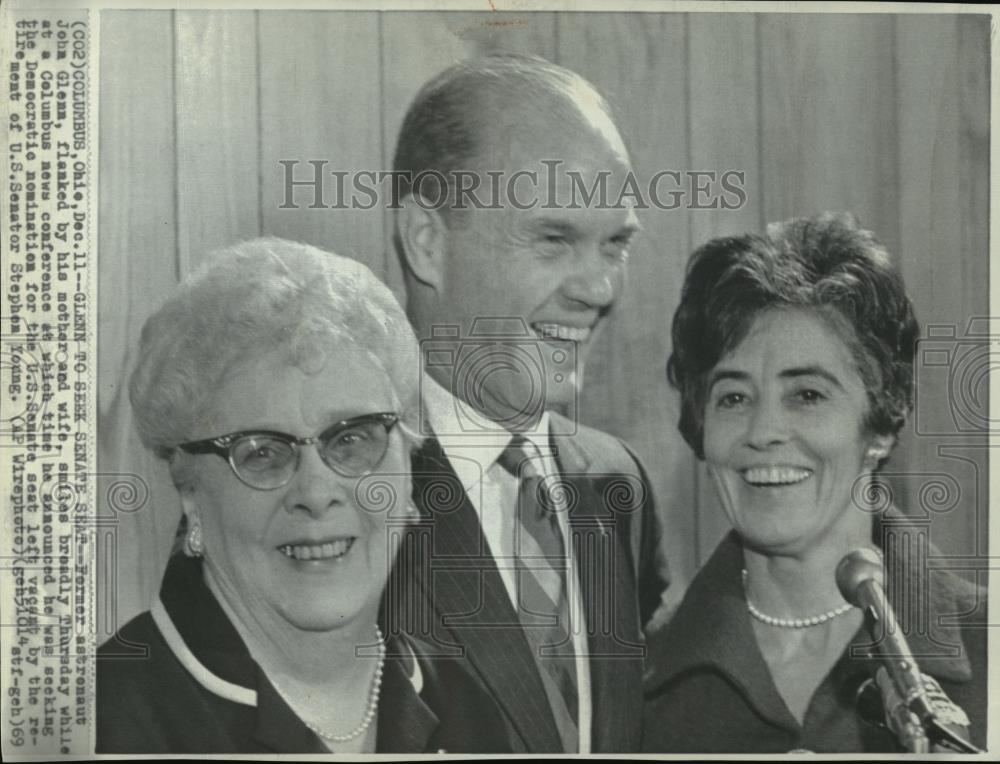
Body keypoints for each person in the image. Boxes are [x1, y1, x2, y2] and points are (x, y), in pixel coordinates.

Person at [96, 238, 511, 754]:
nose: (316, 493)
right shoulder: (105, 718)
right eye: (262, 453)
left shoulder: (464, 703)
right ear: (189, 496)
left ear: (408, 464)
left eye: (353, 439)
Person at [387, 53, 669, 753]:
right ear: (428, 242)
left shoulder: (617, 484)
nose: (599, 289)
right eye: (553, 239)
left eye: (616, 245)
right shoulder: (339, 493)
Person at [643, 213, 987, 752]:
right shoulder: (639, 677)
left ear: (880, 420)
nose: (763, 432)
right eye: (733, 397)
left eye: (807, 394)